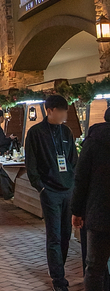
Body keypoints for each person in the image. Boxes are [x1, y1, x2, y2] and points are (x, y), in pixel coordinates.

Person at [25, 94, 78, 291]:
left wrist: (72, 182)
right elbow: (31, 164)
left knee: (66, 235)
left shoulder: (67, 132)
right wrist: (41, 187)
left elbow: (73, 159)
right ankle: (58, 279)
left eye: (66, 111)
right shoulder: (36, 133)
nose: (65, 115)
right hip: (50, 191)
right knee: (54, 235)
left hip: (67, 190)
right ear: (50, 111)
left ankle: (58, 267)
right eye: (61, 111)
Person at [71, 108, 110, 291]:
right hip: (98, 213)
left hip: (99, 214)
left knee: (95, 268)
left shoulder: (93, 141)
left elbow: (81, 178)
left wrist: (77, 211)